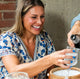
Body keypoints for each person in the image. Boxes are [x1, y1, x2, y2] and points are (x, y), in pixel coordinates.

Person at [0, 0, 73, 79]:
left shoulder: (44, 37)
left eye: (42, 17)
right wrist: (50, 59)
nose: (39, 22)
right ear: (21, 17)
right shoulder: (7, 39)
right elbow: (15, 73)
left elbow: (50, 74)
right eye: (34, 17)